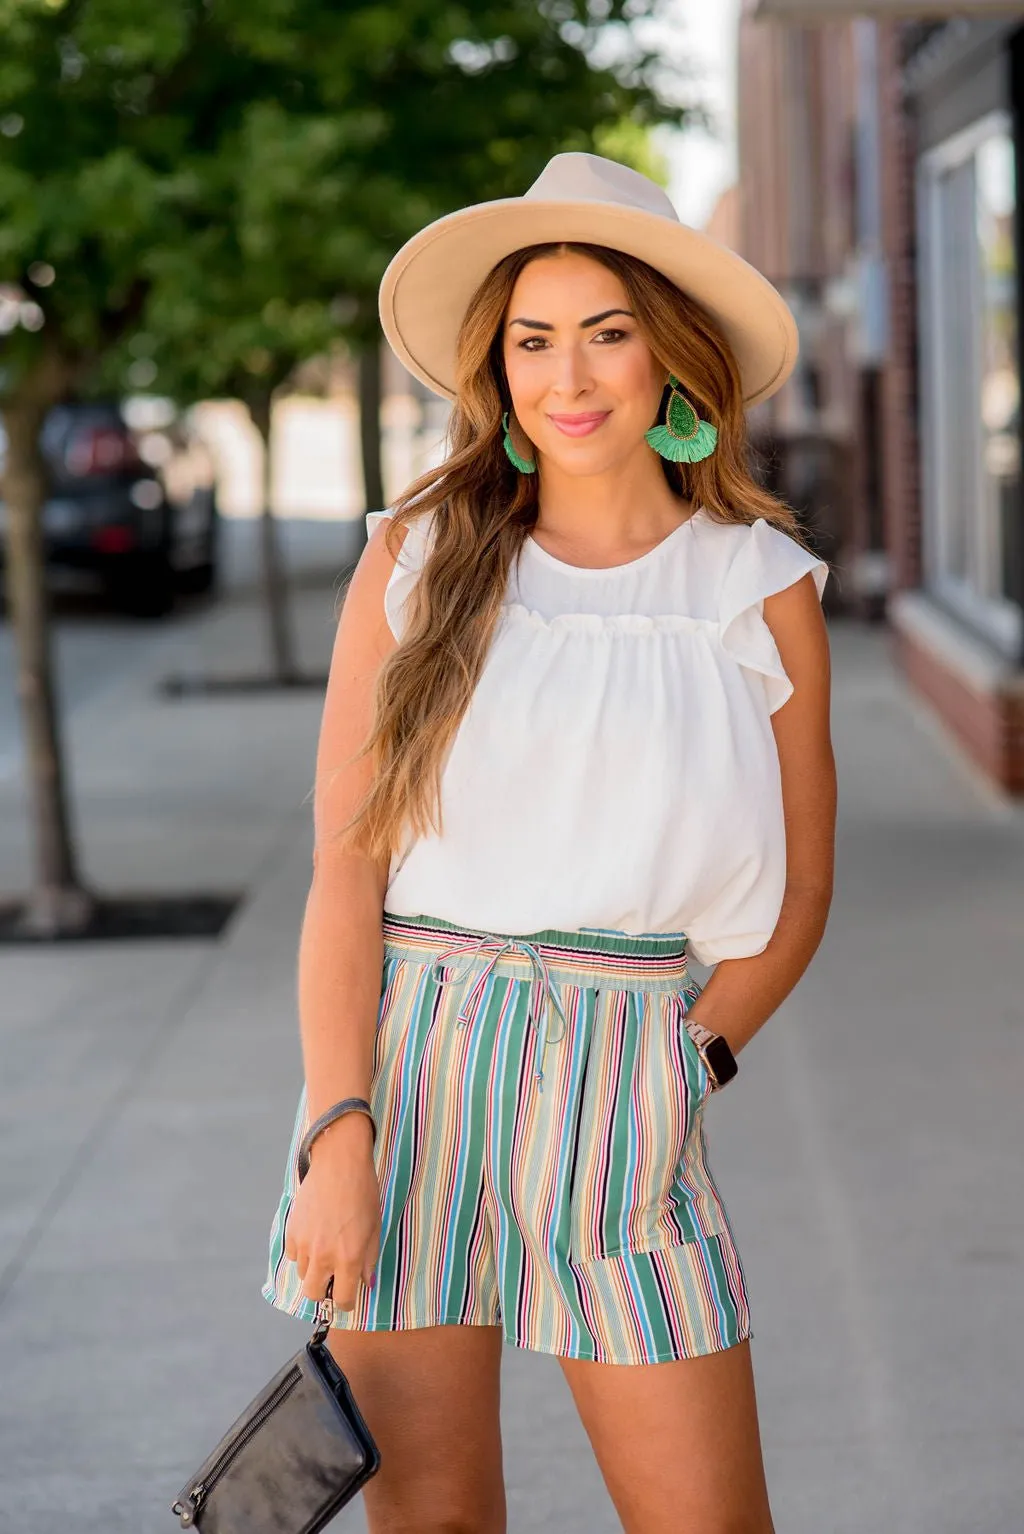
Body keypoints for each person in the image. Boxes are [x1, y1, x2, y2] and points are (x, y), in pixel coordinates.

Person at [264, 153, 835, 1534]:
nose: (564, 376)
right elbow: (347, 869)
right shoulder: (415, 556)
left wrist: (683, 1062)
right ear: (498, 365)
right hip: (414, 1073)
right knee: (438, 1520)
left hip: (631, 1070)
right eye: (532, 339)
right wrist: (338, 1131)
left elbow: (803, 889)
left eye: (606, 332)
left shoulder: (759, 590)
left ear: (673, 359)